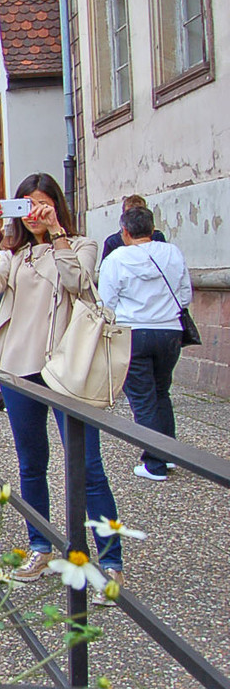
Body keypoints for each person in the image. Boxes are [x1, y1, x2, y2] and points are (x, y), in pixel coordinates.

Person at [0, 172, 123, 601]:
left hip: (66, 370)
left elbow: (78, 283)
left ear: (56, 205)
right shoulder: (14, 255)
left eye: (43, 204)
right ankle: (40, 546)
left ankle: (110, 561)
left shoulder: (80, 246)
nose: (35, 213)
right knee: (30, 463)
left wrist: (57, 234)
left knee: (87, 467)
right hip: (21, 369)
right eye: (27, 205)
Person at [99, 205, 192, 482]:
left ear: (124, 232)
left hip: (133, 331)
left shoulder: (116, 259)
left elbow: (107, 302)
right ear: (153, 229)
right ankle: (168, 452)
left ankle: (155, 462)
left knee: (142, 398)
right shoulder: (172, 253)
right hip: (169, 331)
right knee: (162, 392)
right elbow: (185, 293)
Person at [101, 195, 166, 261]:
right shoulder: (113, 242)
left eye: (139, 214)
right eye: (130, 215)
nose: (134, 219)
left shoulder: (157, 236)